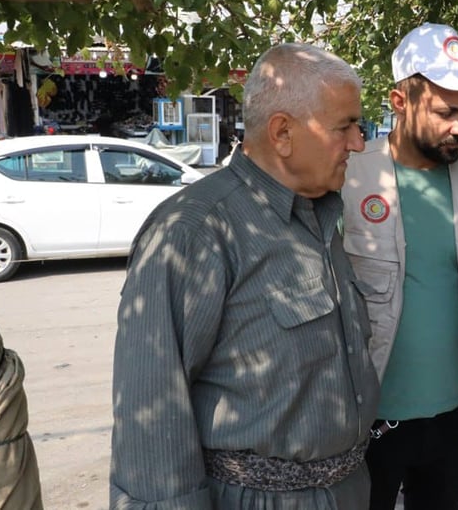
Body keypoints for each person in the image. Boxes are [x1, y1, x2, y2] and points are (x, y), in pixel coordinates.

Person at [110, 43, 379, 508]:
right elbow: (150, 416)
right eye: (346, 126)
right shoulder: (194, 230)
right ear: (282, 133)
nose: (359, 142)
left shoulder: (320, 216)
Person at [341, 22, 458, 510]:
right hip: (368, 415)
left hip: (453, 413)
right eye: (446, 112)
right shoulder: (350, 174)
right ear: (399, 101)